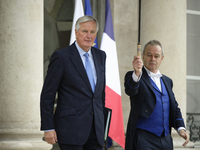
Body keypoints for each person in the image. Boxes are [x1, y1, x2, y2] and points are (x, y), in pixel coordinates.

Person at [40, 15, 106, 150]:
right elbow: (48, 95)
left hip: (96, 131)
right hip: (70, 130)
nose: (89, 35)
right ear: (76, 33)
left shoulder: (101, 56)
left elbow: (99, 94)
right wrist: (48, 127)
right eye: (84, 31)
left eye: (92, 32)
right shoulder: (61, 57)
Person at [124, 40, 189, 150]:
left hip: (166, 140)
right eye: (149, 55)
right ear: (143, 56)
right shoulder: (134, 76)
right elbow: (130, 91)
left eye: (156, 56)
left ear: (162, 58)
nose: (152, 59)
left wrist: (181, 128)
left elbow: (174, 108)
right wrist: (137, 73)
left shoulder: (167, 81)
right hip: (143, 139)